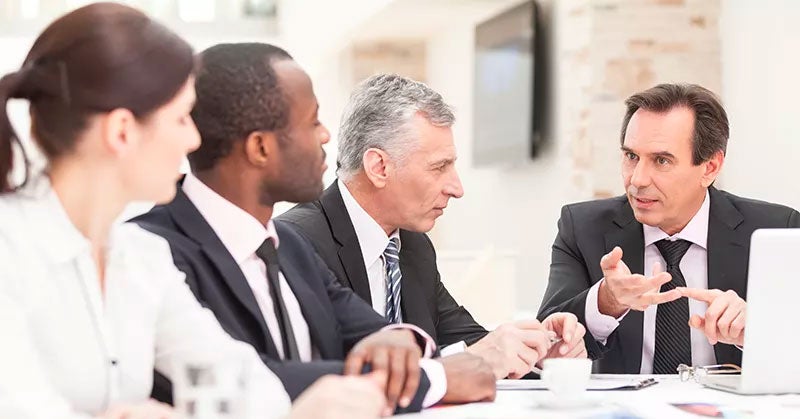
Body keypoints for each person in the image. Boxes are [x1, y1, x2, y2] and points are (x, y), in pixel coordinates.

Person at [0, 4, 386, 419]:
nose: (193, 139)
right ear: (122, 131)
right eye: (182, 118)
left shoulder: (140, 257)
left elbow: (234, 376)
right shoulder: (11, 252)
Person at [131, 43, 496, 415]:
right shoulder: (152, 250)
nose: (325, 136)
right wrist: (434, 378)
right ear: (260, 148)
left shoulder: (287, 245)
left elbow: (372, 329)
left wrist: (398, 340)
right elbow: (246, 381)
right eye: (312, 122)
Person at [277, 74, 590, 380]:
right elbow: (333, 373)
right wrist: (478, 357)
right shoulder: (296, 244)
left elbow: (471, 343)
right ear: (379, 167)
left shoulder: (412, 244)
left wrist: (536, 350)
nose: (457, 188)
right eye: (440, 167)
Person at [538, 83, 800, 374]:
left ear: (710, 167)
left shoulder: (776, 229)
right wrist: (606, 301)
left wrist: (758, 330)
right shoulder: (583, 228)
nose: (637, 180)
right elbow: (544, 346)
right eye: (631, 157)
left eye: (661, 160)